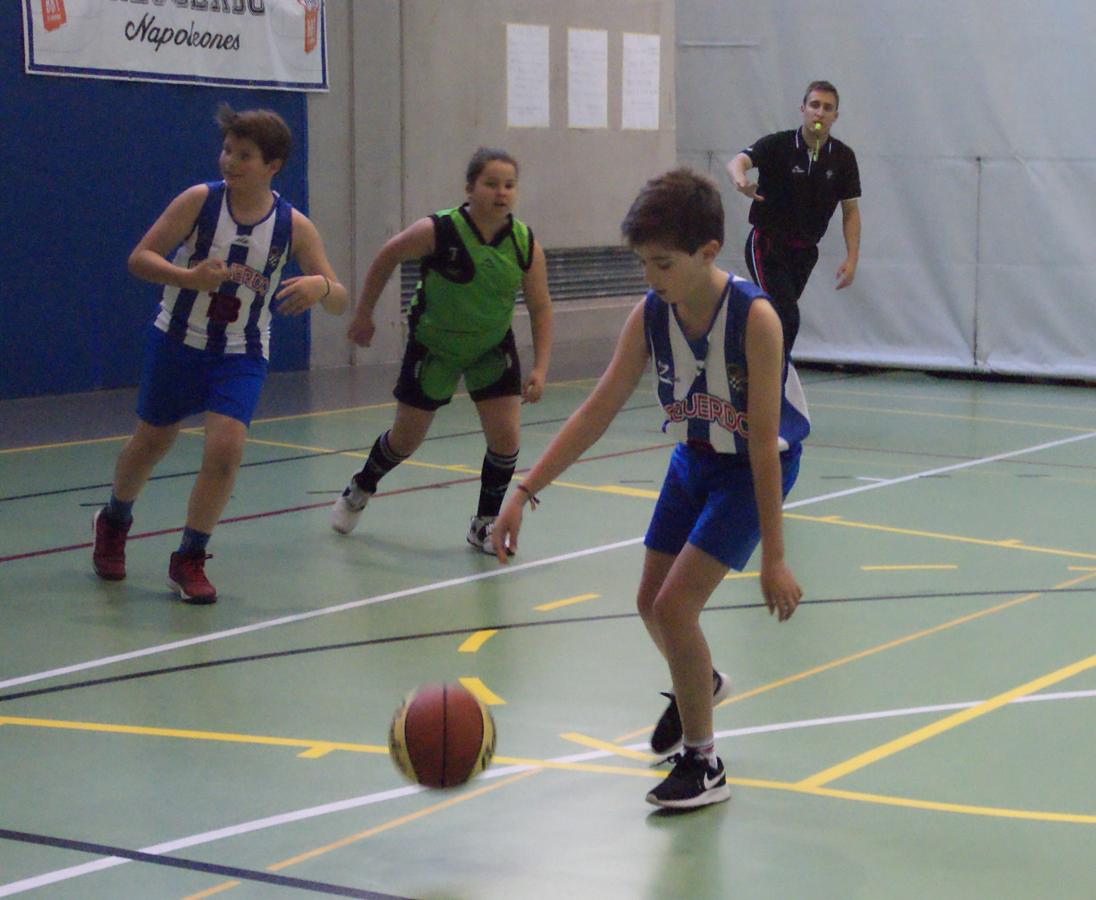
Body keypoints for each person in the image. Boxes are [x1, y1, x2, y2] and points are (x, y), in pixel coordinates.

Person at [492, 169, 810, 810]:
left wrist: (774, 556)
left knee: (675, 608)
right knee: (648, 601)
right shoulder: (650, 315)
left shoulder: (757, 321)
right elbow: (597, 409)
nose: (652, 277)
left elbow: (761, 444)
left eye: (663, 264)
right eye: (643, 263)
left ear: (707, 253)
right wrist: (524, 488)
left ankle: (704, 763)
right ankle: (703, 682)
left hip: (751, 469)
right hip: (694, 456)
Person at [91, 105, 348, 604]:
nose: (230, 161)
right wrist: (187, 278)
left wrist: (320, 285)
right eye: (227, 150)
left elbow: (340, 299)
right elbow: (139, 259)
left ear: (273, 165)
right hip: (177, 340)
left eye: (245, 155)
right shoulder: (199, 202)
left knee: (226, 450)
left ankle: (190, 556)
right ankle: (114, 519)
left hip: (241, 351)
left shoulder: (294, 226)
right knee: (151, 442)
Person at [330, 147, 553, 551]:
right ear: (470, 188)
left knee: (506, 440)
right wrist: (364, 314)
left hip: (489, 347)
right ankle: (361, 486)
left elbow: (540, 307)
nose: (501, 193)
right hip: (434, 347)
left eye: (509, 185)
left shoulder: (524, 244)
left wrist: (540, 367)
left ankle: (485, 523)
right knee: (405, 440)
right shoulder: (439, 231)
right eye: (491, 183)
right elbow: (385, 258)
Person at [726, 80, 861, 353]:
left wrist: (852, 258)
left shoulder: (843, 158)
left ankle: (741, 355)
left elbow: (850, 211)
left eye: (827, 108)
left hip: (804, 253)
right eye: (814, 105)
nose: (819, 113)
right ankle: (775, 378)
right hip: (767, 245)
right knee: (786, 316)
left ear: (835, 115)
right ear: (803, 109)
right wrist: (741, 179)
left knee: (774, 316)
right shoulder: (779, 145)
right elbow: (738, 161)